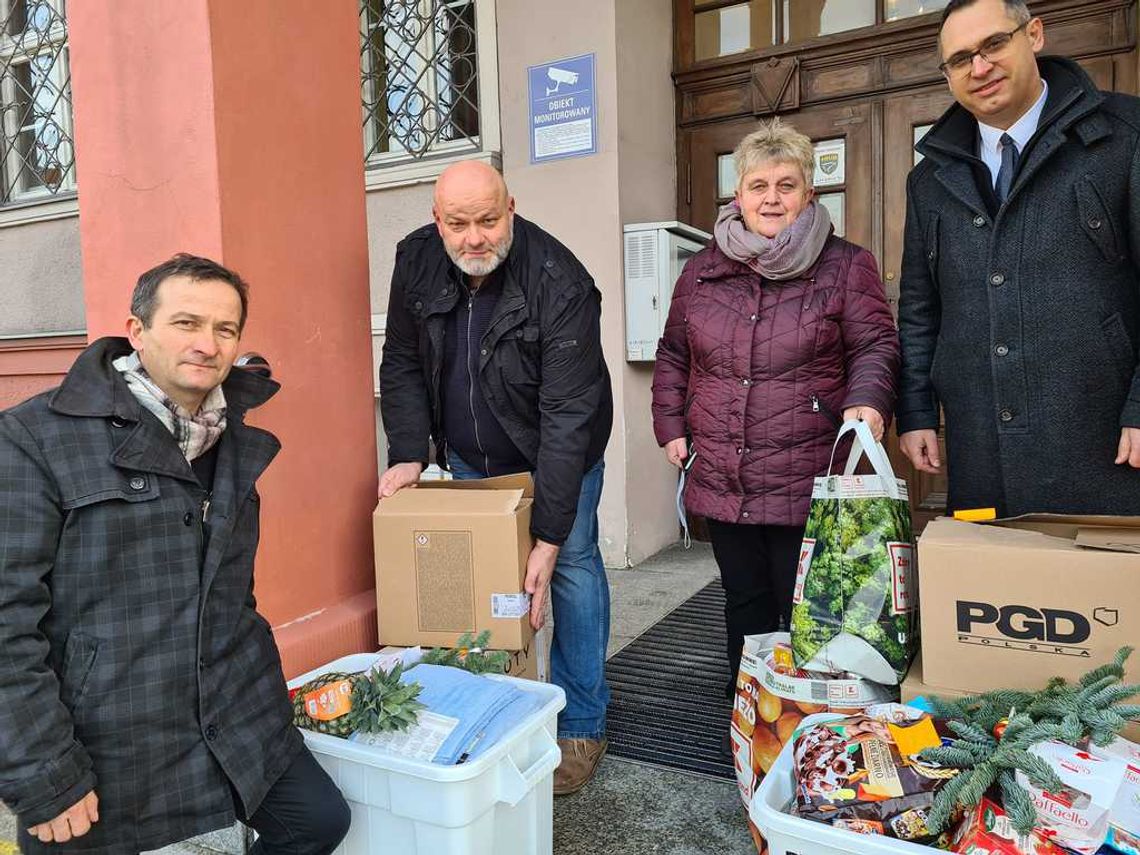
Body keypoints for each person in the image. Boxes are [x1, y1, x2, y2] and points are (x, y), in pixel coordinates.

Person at [0, 254, 350, 854]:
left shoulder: (231, 438)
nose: (207, 344)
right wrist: (44, 773)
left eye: (225, 329)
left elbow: (234, 593)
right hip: (108, 733)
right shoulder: (35, 438)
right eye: (187, 323)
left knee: (316, 822)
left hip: (236, 716)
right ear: (137, 332)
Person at [377, 161, 614, 795]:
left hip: (555, 453)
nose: (474, 238)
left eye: (488, 220)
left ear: (512, 207)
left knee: (570, 568)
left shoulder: (560, 282)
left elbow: (567, 414)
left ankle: (582, 723)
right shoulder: (416, 259)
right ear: (437, 221)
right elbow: (401, 358)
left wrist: (549, 531)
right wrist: (407, 450)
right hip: (468, 455)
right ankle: (492, 711)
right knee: (483, 584)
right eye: (458, 224)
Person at [651, 119, 899, 687]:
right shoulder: (702, 271)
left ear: (808, 194)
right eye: (758, 185)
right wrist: (670, 424)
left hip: (806, 467)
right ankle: (750, 711)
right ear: (738, 196)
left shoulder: (844, 264)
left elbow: (875, 343)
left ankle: (809, 717)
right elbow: (673, 355)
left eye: (786, 185)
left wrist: (868, 400)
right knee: (743, 601)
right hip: (722, 467)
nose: (771, 198)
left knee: (811, 607)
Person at [897, 0, 1140, 515]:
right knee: (994, 595)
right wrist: (917, 410)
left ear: (1034, 34)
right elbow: (920, 308)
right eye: (960, 59)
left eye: (993, 45)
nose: (979, 68)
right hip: (979, 451)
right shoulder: (928, 181)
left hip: (1106, 444)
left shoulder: (1125, 136)